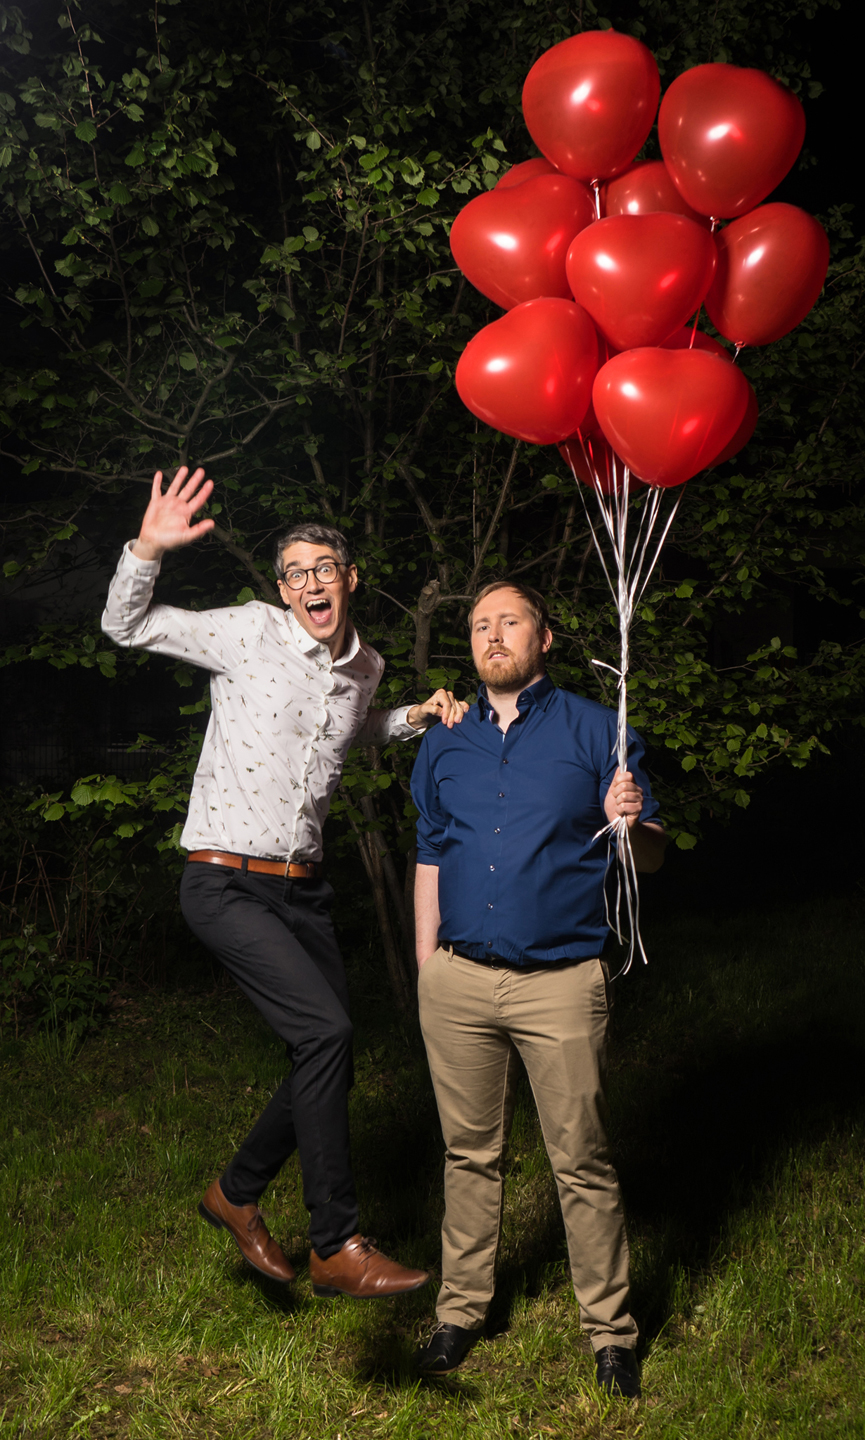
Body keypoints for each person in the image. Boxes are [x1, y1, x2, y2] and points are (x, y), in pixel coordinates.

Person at [102, 464, 467, 1299]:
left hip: (304, 889)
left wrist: (413, 718)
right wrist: (147, 548)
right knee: (327, 1035)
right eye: (295, 573)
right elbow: (126, 625)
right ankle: (336, 1243)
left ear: (349, 579)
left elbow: (351, 730)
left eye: (323, 569)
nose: (309, 583)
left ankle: (235, 1194)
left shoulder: (366, 666)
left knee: (328, 1052)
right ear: (281, 588)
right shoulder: (248, 632)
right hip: (225, 880)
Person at [411, 579, 667, 1396]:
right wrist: (427, 967)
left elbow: (652, 854)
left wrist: (632, 821)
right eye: (480, 625)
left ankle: (611, 1334)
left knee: (581, 1160)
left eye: (510, 621)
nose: (493, 635)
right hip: (457, 981)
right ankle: (460, 1312)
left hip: (559, 981)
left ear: (544, 637)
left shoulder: (598, 730)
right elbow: (430, 850)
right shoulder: (445, 740)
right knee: (468, 1154)